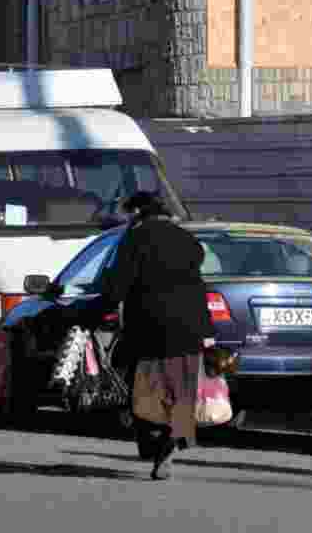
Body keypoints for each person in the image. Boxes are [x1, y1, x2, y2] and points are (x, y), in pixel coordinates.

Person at [74, 190, 215, 480]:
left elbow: (116, 288)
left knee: (143, 387)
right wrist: (207, 331)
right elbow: (198, 286)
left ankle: (152, 441)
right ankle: (172, 439)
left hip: (149, 325)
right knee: (180, 388)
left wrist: (90, 315)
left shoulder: (135, 239)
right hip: (189, 328)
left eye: (128, 214)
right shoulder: (188, 241)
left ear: (137, 212)